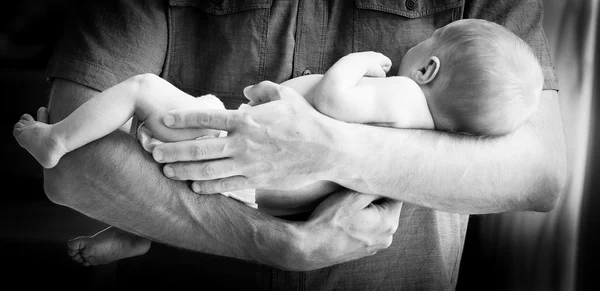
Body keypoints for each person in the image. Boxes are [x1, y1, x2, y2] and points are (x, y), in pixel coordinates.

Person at [39, 0, 565, 289]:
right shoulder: (431, 110)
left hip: (248, 174)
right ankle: (138, 230)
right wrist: (281, 241)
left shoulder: (401, 91)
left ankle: (121, 211)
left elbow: (536, 173)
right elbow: (77, 175)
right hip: (259, 213)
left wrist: (327, 147)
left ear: (428, 66)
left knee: (142, 104)